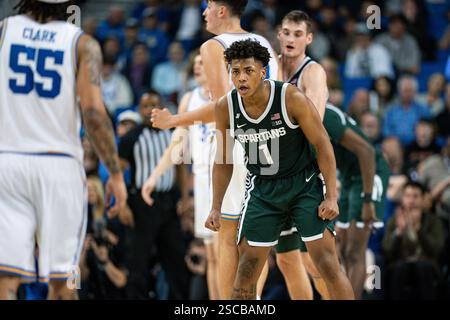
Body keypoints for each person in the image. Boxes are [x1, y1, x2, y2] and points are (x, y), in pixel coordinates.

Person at [205, 39, 354, 300]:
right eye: (235, 71)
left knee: (327, 264)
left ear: (263, 72)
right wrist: (216, 206)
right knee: (246, 272)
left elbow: (322, 145)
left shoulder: (290, 97)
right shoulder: (225, 107)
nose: (241, 78)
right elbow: (223, 159)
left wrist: (331, 195)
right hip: (263, 189)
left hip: (303, 184)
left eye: (248, 71)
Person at [150, 0, 279, 299]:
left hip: (234, 145)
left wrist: (176, 119)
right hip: (271, 143)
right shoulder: (264, 43)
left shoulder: (213, 46)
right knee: (256, 238)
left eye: (208, 6)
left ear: (222, 10)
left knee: (226, 235)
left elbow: (226, 108)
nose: (204, 13)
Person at [0, 0, 127, 300]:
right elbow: (94, 115)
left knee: (6, 279)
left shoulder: (4, 31)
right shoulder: (82, 44)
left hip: (8, 162)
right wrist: (116, 175)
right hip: (59, 166)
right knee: (64, 280)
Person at [142, 53, 220, 300]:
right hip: (201, 180)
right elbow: (177, 146)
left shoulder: (226, 95)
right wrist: (154, 176)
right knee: (212, 255)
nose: (196, 67)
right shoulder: (189, 98)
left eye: (202, 63)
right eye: (194, 64)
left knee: (226, 252)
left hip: (224, 179)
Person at [119, 90, 190, 300]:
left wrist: (185, 198)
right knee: (137, 261)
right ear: (139, 110)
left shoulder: (173, 133)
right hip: (140, 205)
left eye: (153, 104)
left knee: (175, 259)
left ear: (162, 107)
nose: (149, 109)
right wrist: (122, 204)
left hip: (168, 201)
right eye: (145, 105)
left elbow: (180, 169)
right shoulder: (131, 137)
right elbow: (119, 172)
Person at [323, 105, 391, 299]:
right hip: (348, 177)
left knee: (355, 251)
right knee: (342, 250)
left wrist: (368, 201)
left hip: (369, 173)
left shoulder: (327, 116)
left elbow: (368, 152)